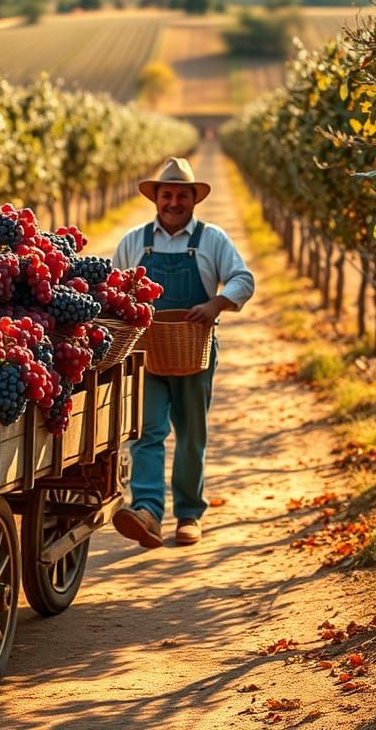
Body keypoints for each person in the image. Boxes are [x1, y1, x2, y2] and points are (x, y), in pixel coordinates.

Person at [110, 157, 255, 548]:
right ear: (155, 198)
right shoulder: (134, 242)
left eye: (181, 196)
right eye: (167, 195)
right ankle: (148, 512)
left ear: (194, 199)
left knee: (192, 434)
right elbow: (112, 290)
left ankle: (189, 515)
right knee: (148, 431)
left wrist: (217, 304)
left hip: (195, 351)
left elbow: (244, 278)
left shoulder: (211, 240)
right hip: (148, 353)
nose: (173, 202)